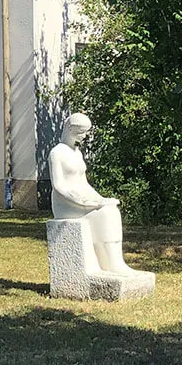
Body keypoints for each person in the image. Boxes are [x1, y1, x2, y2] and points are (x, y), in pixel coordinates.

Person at [48, 112, 134, 275]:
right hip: (66, 204)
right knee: (105, 215)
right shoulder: (57, 153)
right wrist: (84, 202)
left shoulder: (77, 153)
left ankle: (115, 261)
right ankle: (113, 264)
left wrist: (100, 199)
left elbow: (84, 183)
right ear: (70, 129)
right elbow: (58, 186)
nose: (85, 136)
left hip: (83, 199)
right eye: (82, 132)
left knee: (111, 210)